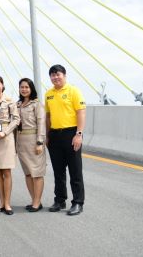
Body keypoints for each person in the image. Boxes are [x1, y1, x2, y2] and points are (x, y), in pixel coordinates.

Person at [45, 64, 86, 216]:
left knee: (75, 171)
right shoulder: (48, 93)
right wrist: (48, 135)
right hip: (55, 135)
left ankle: (77, 203)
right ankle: (60, 200)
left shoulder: (73, 91)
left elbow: (81, 112)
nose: (55, 77)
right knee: (58, 171)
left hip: (71, 133)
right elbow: (48, 116)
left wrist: (79, 134)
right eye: (52, 75)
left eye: (58, 74)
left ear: (64, 75)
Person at [0, 75, 19, 215]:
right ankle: (1, 202)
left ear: (2, 85)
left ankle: (7, 203)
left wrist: (4, 133)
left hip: (6, 138)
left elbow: (16, 120)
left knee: (6, 171)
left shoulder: (10, 101)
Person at [16, 78, 46, 212]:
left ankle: (37, 202)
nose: (24, 89)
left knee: (37, 173)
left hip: (34, 140)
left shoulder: (36, 104)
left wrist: (40, 142)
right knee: (28, 173)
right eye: (22, 87)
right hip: (21, 141)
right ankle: (34, 200)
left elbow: (41, 123)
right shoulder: (17, 104)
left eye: (27, 87)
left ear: (31, 88)